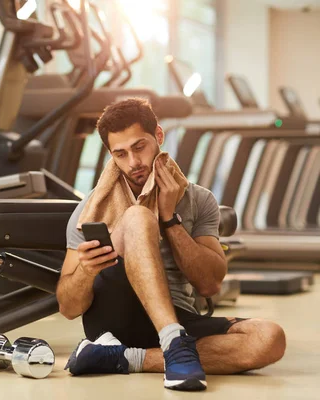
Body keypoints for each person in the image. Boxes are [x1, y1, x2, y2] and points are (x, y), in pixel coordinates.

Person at [57, 98, 286, 391]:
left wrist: (169, 219)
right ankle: (173, 344)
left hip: (180, 315)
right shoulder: (91, 208)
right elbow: (67, 307)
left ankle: (126, 358)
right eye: (121, 154)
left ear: (159, 136)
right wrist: (87, 272)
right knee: (138, 216)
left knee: (270, 338)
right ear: (110, 155)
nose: (133, 162)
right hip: (115, 321)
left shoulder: (199, 200)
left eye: (139, 147)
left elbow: (209, 285)